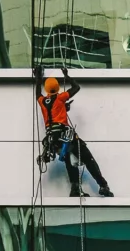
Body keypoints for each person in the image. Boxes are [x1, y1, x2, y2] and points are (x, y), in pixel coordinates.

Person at [34, 66, 113, 198]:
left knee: (70, 160)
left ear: (47, 89)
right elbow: (76, 88)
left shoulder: (42, 101)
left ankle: (75, 189)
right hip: (65, 135)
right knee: (87, 158)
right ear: (57, 88)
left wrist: (38, 77)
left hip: (53, 140)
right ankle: (103, 186)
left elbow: (37, 93)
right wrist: (67, 76)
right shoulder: (60, 97)